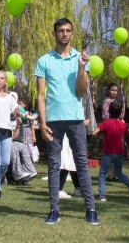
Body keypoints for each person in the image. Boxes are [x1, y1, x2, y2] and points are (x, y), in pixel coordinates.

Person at [34, 17, 98, 225]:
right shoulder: (44, 60)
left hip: (75, 119)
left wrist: (81, 68)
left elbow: (80, 92)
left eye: (68, 30)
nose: (64, 34)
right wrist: (42, 123)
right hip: (53, 120)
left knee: (81, 164)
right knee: (53, 165)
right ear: (54, 33)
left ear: (72, 33)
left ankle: (90, 210)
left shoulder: (81, 58)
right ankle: (54, 210)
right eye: (60, 30)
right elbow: (41, 95)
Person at [94, 101, 129, 201]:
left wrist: (102, 135)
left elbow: (94, 133)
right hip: (119, 152)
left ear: (109, 111)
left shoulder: (106, 123)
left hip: (108, 152)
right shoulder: (122, 124)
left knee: (103, 173)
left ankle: (102, 194)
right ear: (121, 112)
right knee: (119, 173)